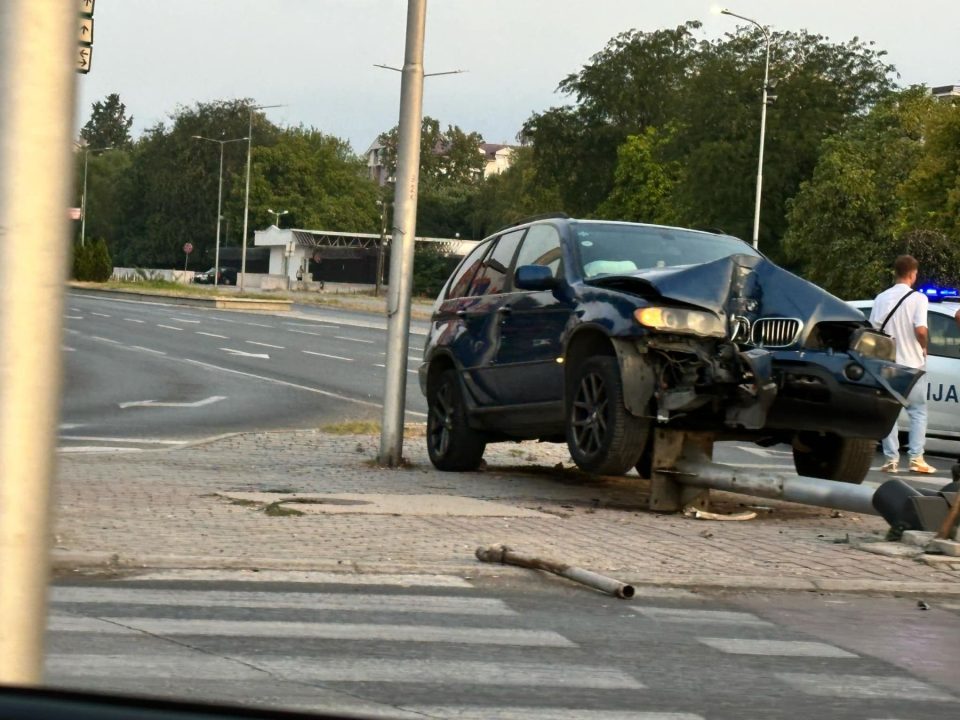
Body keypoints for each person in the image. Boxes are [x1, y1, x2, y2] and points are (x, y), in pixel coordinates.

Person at [870, 255, 935, 474]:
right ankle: (916, 458)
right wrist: (924, 346)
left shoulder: (880, 298)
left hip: (886, 365)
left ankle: (891, 460)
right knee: (917, 411)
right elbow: (920, 330)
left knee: (889, 412)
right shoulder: (918, 299)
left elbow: (873, 331)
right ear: (912, 274)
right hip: (911, 364)